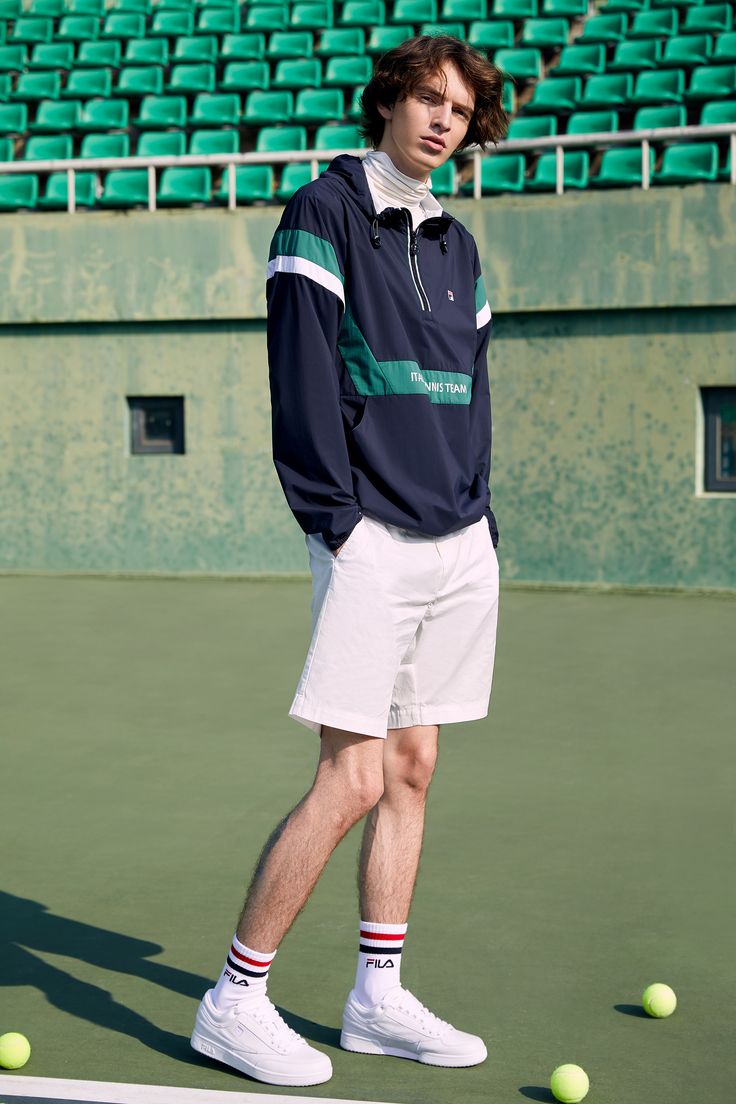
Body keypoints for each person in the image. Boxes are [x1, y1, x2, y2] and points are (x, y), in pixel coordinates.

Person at [191, 33, 508, 1088]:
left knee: (413, 767)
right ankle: (234, 1001)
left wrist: (479, 519)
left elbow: (476, 390)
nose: (440, 120)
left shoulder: (458, 245)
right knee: (353, 773)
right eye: (426, 99)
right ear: (387, 102)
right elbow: (302, 378)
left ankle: (376, 998)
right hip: (370, 532)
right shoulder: (323, 212)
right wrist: (338, 520)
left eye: (458, 111)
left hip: (456, 541)